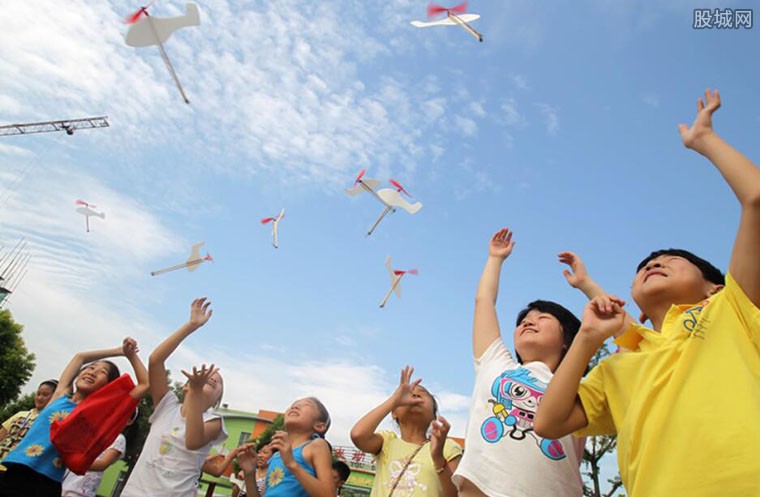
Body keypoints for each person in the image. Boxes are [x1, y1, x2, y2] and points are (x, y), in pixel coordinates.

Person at [535, 89, 760, 497]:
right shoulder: (621, 366)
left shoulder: (734, 311)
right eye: (642, 269)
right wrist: (586, 338)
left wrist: (704, 140)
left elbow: (756, 199)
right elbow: (547, 423)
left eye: (673, 258)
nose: (653, 263)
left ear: (714, 287)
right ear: (637, 309)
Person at [452, 228, 584, 497]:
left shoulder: (580, 387)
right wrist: (495, 259)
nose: (529, 321)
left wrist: (588, 288)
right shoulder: (496, 363)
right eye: (524, 319)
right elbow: (484, 301)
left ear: (567, 340)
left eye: (543, 317)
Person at [0, 338, 148, 497]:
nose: (92, 372)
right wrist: (118, 351)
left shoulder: (96, 416)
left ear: (108, 387)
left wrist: (131, 355)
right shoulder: (59, 396)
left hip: (45, 482)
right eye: (91, 367)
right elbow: (80, 357)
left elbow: (145, 384)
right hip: (13, 470)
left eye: (102, 372)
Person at [121, 298, 228, 497]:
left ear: (216, 401)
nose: (213, 377)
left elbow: (193, 441)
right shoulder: (167, 405)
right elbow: (155, 360)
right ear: (186, 386)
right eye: (209, 374)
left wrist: (196, 394)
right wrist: (191, 326)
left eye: (218, 381)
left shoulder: (213, 421)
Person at [351, 366, 462, 497]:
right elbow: (358, 435)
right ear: (394, 413)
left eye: (421, 394)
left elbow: (456, 494)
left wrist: (438, 458)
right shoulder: (387, 441)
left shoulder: (447, 447)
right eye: (408, 395)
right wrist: (394, 399)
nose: (414, 395)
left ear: (434, 416)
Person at [239, 398, 334, 497]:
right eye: (293, 404)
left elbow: (329, 494)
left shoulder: (317, 445)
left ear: (319, 426)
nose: (294, 406)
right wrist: (249, 473)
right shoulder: (276, 455)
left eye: (306, 405)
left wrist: (291, 463)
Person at [60, 408, 140, 497]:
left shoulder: (119, 439)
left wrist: (77, 463)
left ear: (129, 421)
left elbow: (103, 464)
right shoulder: (96, 431)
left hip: (81, 488)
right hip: (65, 480)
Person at [0, 380, 59, 467]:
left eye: (45, 395)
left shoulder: (51, 420)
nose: (39, 398)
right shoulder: (20, 414)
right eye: (38, 394)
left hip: (19, 466)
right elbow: (2, 434)